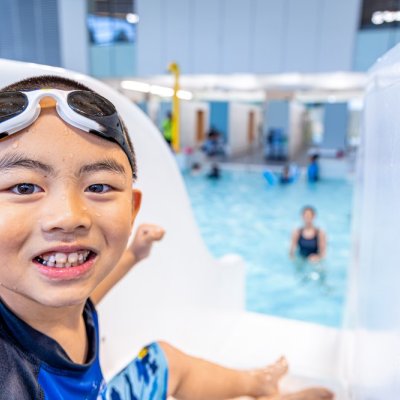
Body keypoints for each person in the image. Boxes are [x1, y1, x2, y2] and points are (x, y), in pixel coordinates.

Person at [0, 75, 333, 400]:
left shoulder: (62, 308)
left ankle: (257, 384)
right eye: (23, 187)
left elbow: (90, 300)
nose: (68, 217)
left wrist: (134, 254)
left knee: (164, 361)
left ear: (132, 210)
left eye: (98, 187)